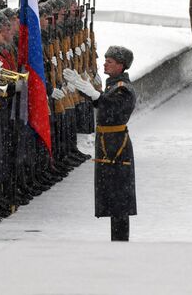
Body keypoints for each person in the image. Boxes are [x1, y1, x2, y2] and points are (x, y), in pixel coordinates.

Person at [63, 46, 136, 242]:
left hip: (116, 145)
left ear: (121, 66)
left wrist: (94, 94)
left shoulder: (123, 88)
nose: (105, 64)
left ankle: (120, 239)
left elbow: (114, 109)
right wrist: (82, 87)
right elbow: (104, 103)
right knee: (113, 194)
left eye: (109, 61)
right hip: (108, 142)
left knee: (119, 195)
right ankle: (117, 237)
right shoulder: (114, 85)